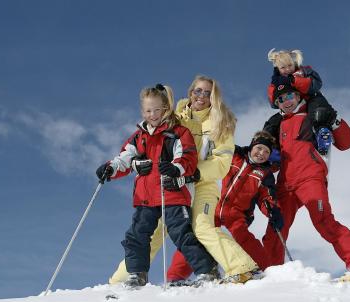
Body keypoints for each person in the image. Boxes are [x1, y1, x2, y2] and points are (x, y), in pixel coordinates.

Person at [109, 76, 258, 285]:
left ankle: (242, 268)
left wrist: (195, 173)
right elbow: (154, 135)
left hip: (201, 182)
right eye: (198, 91)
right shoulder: (177, 115)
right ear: (190, 92)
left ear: (214, 97)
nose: (202, 96)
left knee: (201, 226)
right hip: (173, 184)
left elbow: (222, 163)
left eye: (207, 93)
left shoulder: (220, 123)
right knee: (153, 233)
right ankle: (120, 280)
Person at [95, 84, 217, 287]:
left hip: (173, 192)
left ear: (165, 109)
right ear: (143, 112)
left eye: (157, 110)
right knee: (137, 234)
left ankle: (207, 270)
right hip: (146, 195)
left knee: (180, 232)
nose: (153, 115)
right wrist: (111, 168)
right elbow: (125, 157)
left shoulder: (178, 132)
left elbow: (188, 156)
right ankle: (137, 274)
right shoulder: (138, 136)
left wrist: (175, 168)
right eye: (148, 111)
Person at [262, 80, 350, 281]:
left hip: (310, 177)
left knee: (323, 220)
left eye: (290, 96)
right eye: (280, 99)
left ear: (299, 96)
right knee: (275, 228)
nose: (286, 101)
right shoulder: (276, 125)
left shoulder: (314, 115)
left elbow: (346, 142)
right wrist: (271, 159)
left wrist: (333, 119)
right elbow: (270, 162)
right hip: (285, 184)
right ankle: (270, 273)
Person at [166, 131, 283, 279]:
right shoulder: (235, 154)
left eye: (266, 152)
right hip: (214, 204)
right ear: (252, 145)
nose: (261, 153)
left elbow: (266, 197)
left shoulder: (265, 173)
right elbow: (217, 161)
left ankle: (267, 271)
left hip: (237, 212)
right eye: (259, 148)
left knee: (244, 237)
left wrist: (272, 210)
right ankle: (175, 276)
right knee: (198, 236)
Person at [267, 48, 334, 116]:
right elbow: (273, 103)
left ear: (294, 63)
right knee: (274, 120)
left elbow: (316, 84)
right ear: (278, 69)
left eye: (290, 65)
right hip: (293, 106)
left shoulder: (304, 71)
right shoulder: (276, 82)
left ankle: (322, 125)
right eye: (283, 67)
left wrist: (293, 80)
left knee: (316, 112)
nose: (287, 69)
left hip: (311, 99)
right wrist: (277, 90)